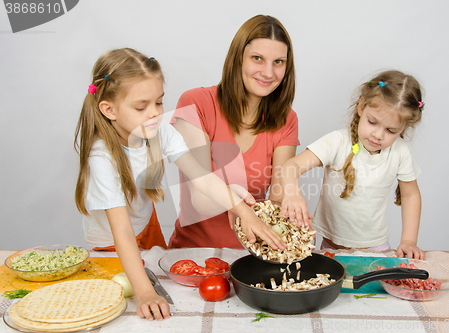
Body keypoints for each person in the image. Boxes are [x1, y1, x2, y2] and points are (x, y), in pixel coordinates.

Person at [74, 48, 285, 321]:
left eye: (159, 103)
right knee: (119, 303)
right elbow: (122, 232)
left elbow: (203, 177)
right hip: (110, 243)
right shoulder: (101, 157)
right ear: (109, 110)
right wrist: (146, 293)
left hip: (144, 227)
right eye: (141, 107)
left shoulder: (158, 130)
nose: (154, 114)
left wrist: (245, 212)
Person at [168, 14, 300, 249]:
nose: (269, 73)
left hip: (252, 256)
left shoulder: (286, 119)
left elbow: (277, 199)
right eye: (257, 58)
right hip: (195, 257)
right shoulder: (195, 104)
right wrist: (236, 201)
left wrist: (292, 202)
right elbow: (201, 199)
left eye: (278, 62)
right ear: (237, 58)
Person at [280, 70, 425, 259]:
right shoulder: (338, 142)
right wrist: (292, 193)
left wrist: (409, 241)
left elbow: (411, 195)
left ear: (404, 128)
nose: (378, 135)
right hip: (330, 247)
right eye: (372, 122)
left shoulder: (401, 152)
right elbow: (290, 167)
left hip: (376, 249)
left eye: (390, 130)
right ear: (361, 107)